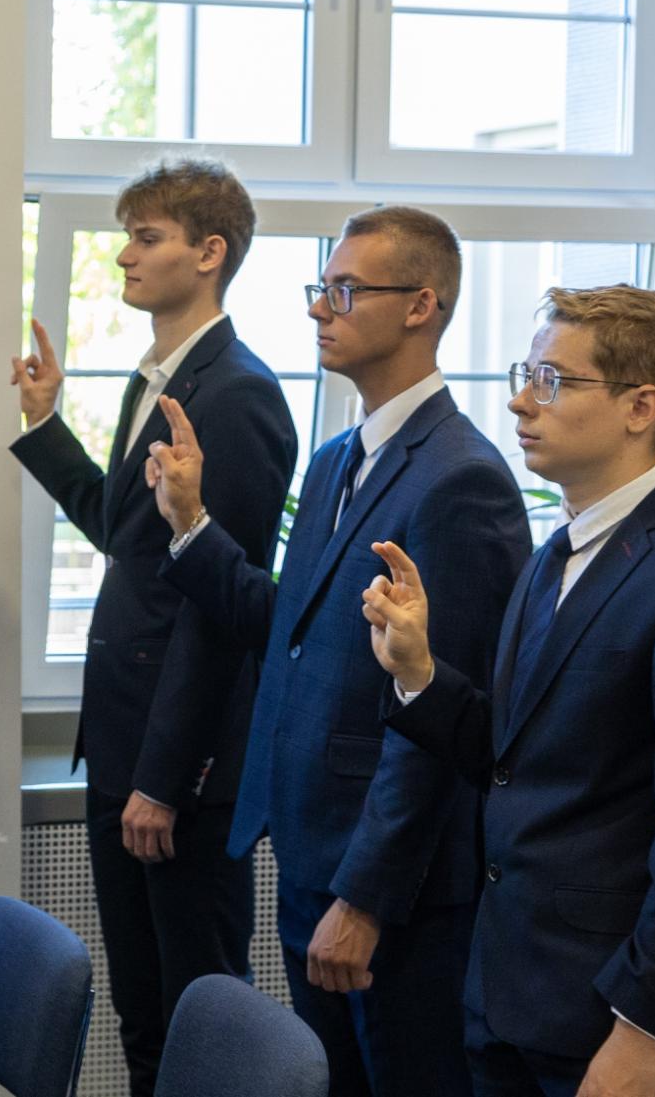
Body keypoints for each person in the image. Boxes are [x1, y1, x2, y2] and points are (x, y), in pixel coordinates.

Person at [364, 285, 655, 1097]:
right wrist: (419, 674)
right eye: (527, 372)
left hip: (613, 1019)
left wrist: (644, 1027)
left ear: (641, 406)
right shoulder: (554, 552)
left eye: (553, 379)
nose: (521, 398)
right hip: (511, 993)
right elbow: (515, 756)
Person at [146, 205, 529, 1096]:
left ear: (421, 306)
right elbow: (293, 633)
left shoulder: (461, 478)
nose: (322, 308)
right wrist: (192, 525)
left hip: (389, 886)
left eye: (346, 290)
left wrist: (365, 897)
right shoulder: (334, 460)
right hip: (311, 852)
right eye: (321, 287)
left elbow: (434, 712)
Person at [10, 158, 296, 1095]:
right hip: (124, 748)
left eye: (147, 236)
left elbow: (221, 606)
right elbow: (131, 540)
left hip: (176, 773)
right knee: (143, 1015)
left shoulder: (238, 394)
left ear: (209, 254)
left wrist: (166, 780)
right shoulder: (158, 380)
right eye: (127, 234)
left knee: (200, 1026)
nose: (123, 255)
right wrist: (46, 424)